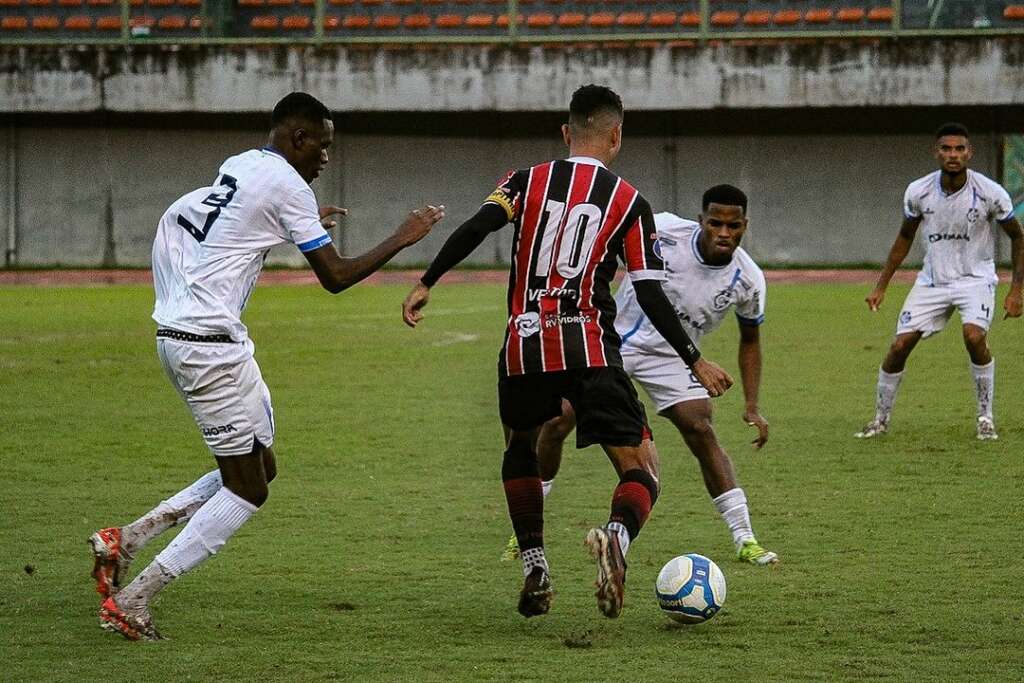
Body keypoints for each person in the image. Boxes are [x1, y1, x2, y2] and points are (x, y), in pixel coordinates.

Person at [89, 92, 445, 641]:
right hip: (208, 346)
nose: (327, 157)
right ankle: (134, 599)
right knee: (248, 490)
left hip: (202, 336)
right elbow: (336, 276)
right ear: (297, 138)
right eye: (322, 146)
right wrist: (404, 236)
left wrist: (294, 221)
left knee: (262, 466)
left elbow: (228, 226)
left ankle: (128, 540)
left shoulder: (243, 164)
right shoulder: (288, 185)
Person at [401, 84, 733, 620]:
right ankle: (617, 540)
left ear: (565, 133)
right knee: (642, 468)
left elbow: (478, 225)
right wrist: (693, 357)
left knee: (521, 449)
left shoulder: (525, 180)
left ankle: (535, 562)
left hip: (524, 347)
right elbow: (649, 289)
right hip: (592, 348)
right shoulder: (629, 201)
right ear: (617, 135)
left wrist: (427, 280)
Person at [501, 185, 778, 566]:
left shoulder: (749, 279)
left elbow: (750, 340)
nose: (724, 233)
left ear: (745, 225)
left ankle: (745, 538)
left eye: (734, 225)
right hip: (614, 342)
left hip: (676, 355)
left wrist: (752, 405)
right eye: (715, 223)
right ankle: (526, 529)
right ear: (701, 220)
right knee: (558, 418)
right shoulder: (662, 229)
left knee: (700, 427)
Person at [856, 122, 1022, 440]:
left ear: (969, 153)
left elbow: (1018, 236)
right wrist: (881, 285)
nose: (953, 155)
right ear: (937, 152)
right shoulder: (918, 191)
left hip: (976, 280)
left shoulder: (989, 192)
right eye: (946, 148)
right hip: (932, 282)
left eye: (959, 148)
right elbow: (905, 236)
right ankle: (880, 419)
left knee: (974, 338)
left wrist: (1017, 290)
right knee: (899, 345)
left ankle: (985, 417)